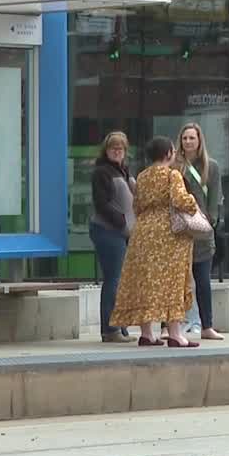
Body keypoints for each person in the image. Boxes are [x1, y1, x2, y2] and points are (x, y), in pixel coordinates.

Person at [109, 136, 202, 348]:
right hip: (167, 234)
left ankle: (147, 333)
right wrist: (193, 202)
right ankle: (176, 334)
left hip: (142, 232)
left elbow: (137, 205)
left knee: (146, 281)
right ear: (169, 154)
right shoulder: (172, 175)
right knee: (171, 281)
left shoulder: (141, 176)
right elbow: (179, 200)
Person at [173, 122, 224, 341]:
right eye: (185, 138)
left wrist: (209, 221)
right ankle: (169, 326)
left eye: (192, 138)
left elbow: (215, 198)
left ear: (199, 140)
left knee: (203, 280)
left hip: (202, 232)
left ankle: (207, 325)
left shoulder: (211, 167)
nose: (188, 142)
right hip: (178, 231)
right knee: (173, 281)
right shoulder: (174, 166)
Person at [89, 131, 136, 343]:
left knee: (122, 282)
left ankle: (120, 326)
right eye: (113, 148)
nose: (117, 152)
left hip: (124, 233)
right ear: (106, 150)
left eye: (120, 148)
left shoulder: (124, 171)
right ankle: (110, 329)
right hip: (108, 231)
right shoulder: (102, 172)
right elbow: (102, 203)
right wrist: (121, 221)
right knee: (113, 279)